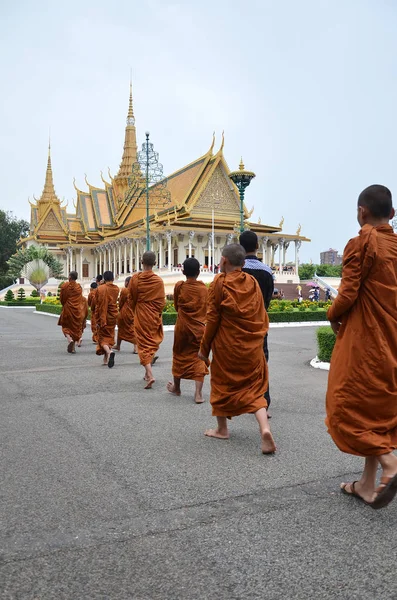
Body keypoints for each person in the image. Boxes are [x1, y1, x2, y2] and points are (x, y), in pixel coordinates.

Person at [326, 184, 397, 509]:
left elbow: (349, 291)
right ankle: (367, 485)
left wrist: (331, 314)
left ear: (361, 213)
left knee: (347, 404)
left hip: (365, 338)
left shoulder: (361, 243)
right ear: (392, 215)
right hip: (392, 339)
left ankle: (388, 463)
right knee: (377, 408)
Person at [198, 244, 276, 454]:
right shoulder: (252, 282)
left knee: (222, 385)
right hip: (251, 346)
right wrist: (258, 340)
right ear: (243, 263)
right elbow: (261, 314)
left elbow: (212, 319)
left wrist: (204, 349)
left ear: (223, 261)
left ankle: (222, 429)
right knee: (254, 389)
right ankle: (265, 428)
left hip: (226, 346)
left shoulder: (219, 284)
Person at [239, 230, 274, 412]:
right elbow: (267, 299)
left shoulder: (237, 271)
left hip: (238, 326)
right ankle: (262, 401)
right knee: (261, 362)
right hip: (259, 324)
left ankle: (241, 398)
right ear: (257, 247)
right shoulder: (267, 272)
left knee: (238, 362)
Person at [167, 258, 209, 403]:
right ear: (199, 272)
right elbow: (207, 309)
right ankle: (198, 394)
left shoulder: (180, 286)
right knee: (199, 358)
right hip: (199, 329)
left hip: (182, 327)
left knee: (178, 355)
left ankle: (177, 388)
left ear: (183, 271)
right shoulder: (204, 289)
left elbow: (177, 306)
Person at [129, 251, 165, 389]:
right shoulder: (158, 281)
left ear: (141, 262)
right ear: (155, 264)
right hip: (153, 315)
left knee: (143, 344)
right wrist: (156, 313)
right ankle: (147, 373)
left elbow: (131, 298)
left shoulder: (135, 279)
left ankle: (150, 374)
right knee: (150, 342)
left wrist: (136, 310)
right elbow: (161, 302)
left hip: (141, 313)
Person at [58, 271, 88, 353]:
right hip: (77, 310)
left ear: (70, 277)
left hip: (68, 309)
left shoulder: (65, 286)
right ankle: (73, 347)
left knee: (65, 326)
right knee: (75, 328)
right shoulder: (79, 287)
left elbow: (62, 299)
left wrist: (65, 304)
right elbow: (80, 299)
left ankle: (69, 339)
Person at [95, 270, 119, 368]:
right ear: (113, 278)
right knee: (109, 335)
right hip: (113, 316)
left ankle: (109, 352)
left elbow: (97, 303)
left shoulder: (100, 289)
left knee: (102, 338)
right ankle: (106, 359)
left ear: (104, 279)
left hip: (103, 315)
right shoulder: (116, 288)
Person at [113, 276, 137, 354]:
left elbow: (121, 302)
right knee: (127, 329)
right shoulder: (135, 291)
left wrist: (120, 309)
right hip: (133, 312)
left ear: (127, 282)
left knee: (127, 330)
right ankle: (119, 345)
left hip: (125, 312)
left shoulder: (125, 290)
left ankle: (136, 346)